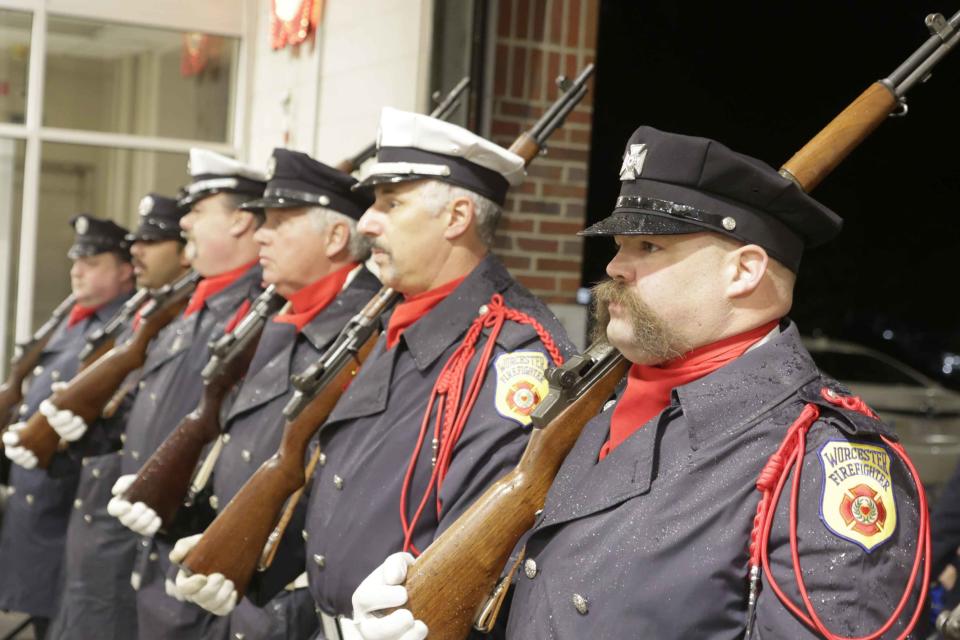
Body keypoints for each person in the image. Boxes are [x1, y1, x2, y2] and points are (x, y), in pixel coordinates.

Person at [350, 126, 928, 639]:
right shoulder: (600, 409)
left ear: (745, 271)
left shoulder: (819, 458)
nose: (614, 267)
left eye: (649, 246)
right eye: (620, 245)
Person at [170, 107, 577, 640]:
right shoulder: (388, 324)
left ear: (456, 217)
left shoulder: (514, 353)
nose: (366, 222)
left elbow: (477, 549)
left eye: (391, 204)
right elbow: (338, 486)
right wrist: (252, 558)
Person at [114, 148, 381, 640]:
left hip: (284, 600)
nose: (262, 233)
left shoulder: (364, 336)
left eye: (279, 222)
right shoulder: (283, 315)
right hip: (232, 590)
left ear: (338, 236)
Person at [46, 193, 192, 640]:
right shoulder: (152, 311)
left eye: (153, 240)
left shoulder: (178, 315)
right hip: (99, 506)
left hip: (137, 525)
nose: (137, 250)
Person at [0, 214, 135, 639]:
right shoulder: (71, 320)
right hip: (38, 508)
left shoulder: (119, 331)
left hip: (67, 510)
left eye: (93, 261)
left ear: (126, 270)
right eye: (76, 260)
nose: (77, 269)